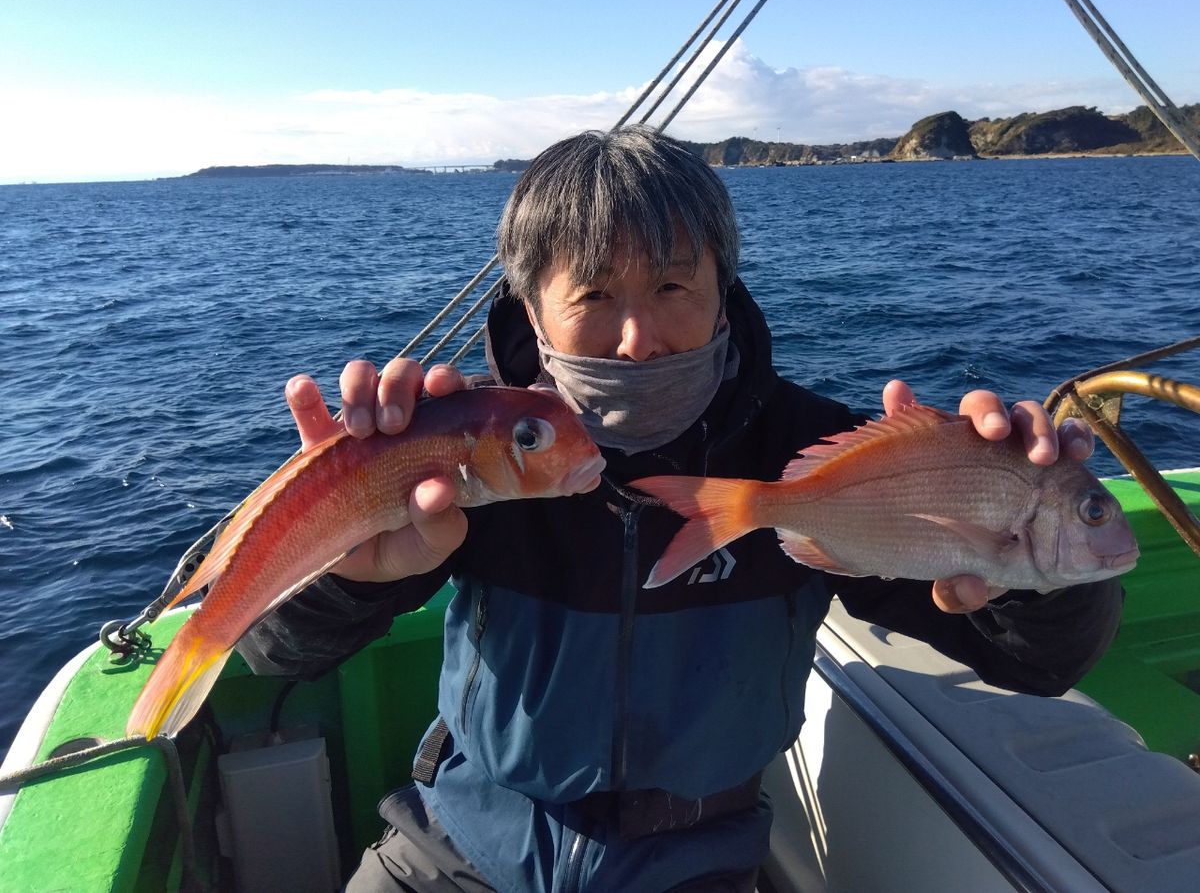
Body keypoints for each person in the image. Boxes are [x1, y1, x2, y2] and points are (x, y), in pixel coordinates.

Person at [238, 125, 1123, 892]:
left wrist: (1026, 541)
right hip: (459, 841)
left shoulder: (819, 453)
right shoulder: (473, 450)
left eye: (671, 288)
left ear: (722, 290)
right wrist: (347, 560)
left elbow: (1035, 663)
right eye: (593, 296)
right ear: (532, 310)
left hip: (695, 863)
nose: (638, 340)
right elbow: (276, 650)